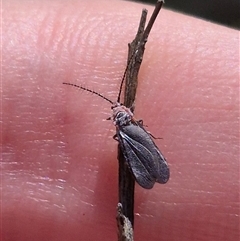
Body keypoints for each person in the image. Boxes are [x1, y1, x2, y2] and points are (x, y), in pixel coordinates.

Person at [2, 0, 239, 240]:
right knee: (140, 144)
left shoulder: (122, 125)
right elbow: (132, 123)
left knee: (136, 146)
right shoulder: (129, 121)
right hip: (133, 135)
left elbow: (125, 128)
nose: (118, 108)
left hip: (130, 137)